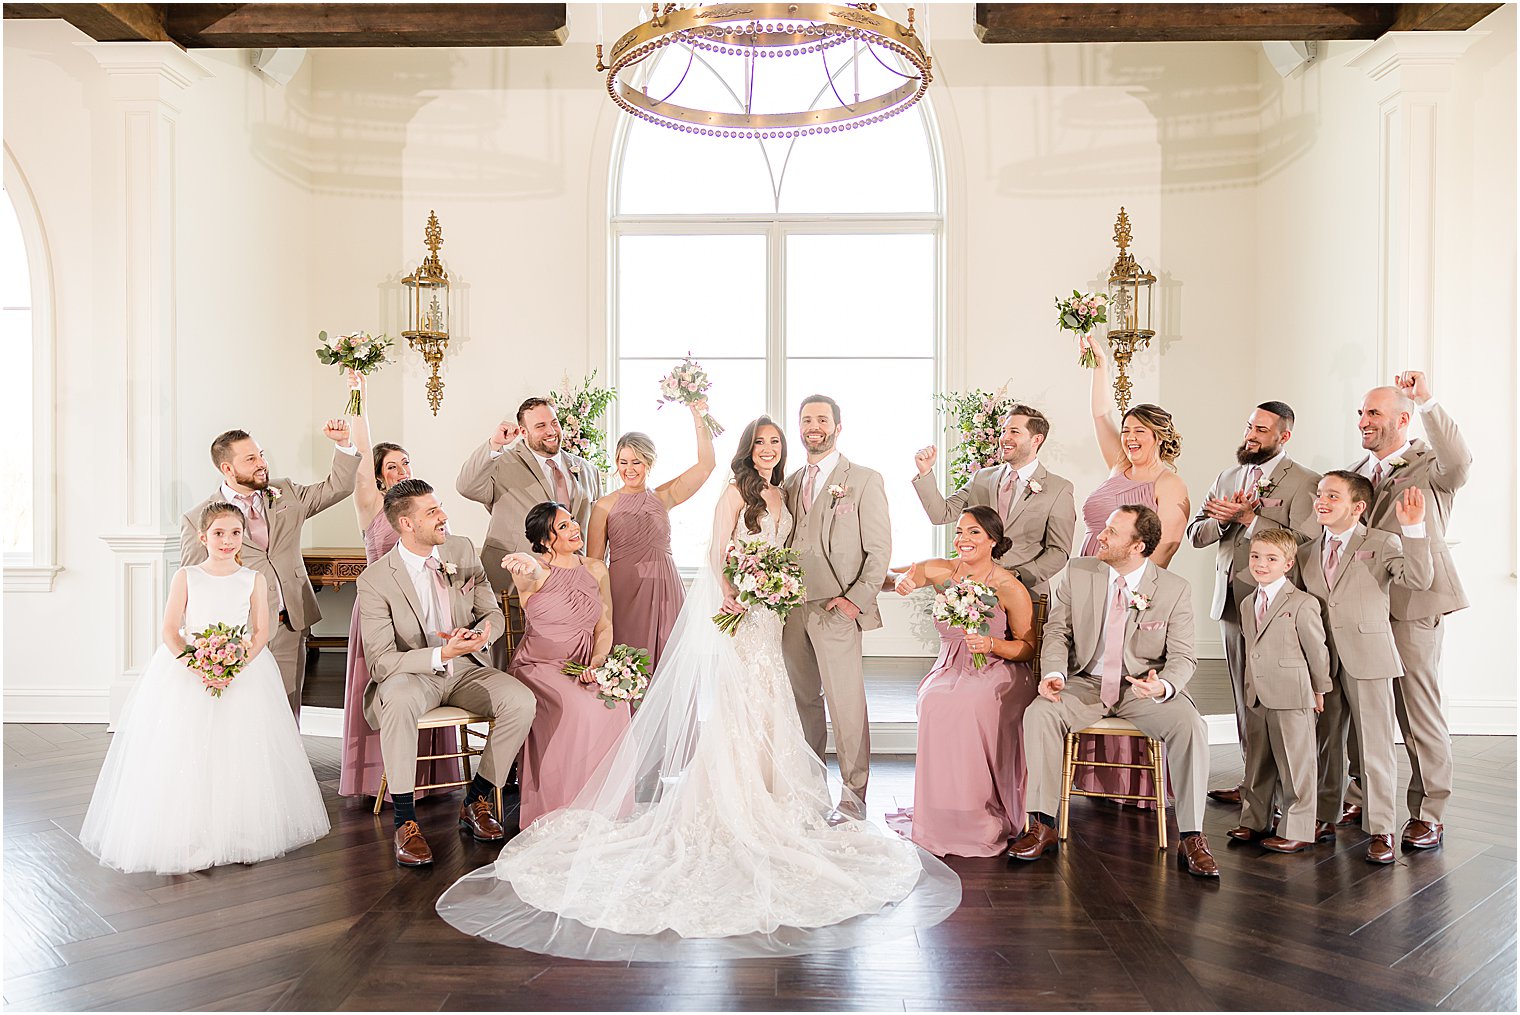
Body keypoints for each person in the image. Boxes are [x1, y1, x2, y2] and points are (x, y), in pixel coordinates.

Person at [434, 415, 959, 961]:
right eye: (761, 442)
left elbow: (803, 549)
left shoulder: (790, 492)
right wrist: (734, 591)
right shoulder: (727, 493)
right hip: (737, 609)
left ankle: (783, 794)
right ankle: (716, 788)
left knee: (776, 696)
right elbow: (710, 551)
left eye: (776, 441)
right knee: (736, 696)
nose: (769, 449)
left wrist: (775, 586)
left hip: (774, 613)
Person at [82, 503, 329, 874]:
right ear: (203, 537)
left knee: (240, 750)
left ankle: (242, 832)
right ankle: (188, 835)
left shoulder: (252, 579)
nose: (227, 541)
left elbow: (262, 631)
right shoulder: (187, 576)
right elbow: (169, 630)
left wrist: (232, 666)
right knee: (188, 750)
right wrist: (200, 666)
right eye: (218, 533)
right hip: (189, 671)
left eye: (234, 533)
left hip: (243, 672)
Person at [1009, 505, 1219, 878]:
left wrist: (1163, 685)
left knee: (1191, 724)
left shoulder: (1174, 590)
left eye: (1111, 532)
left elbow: (1184, 657)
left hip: (1141, 688)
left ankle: (1192, 835)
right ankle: (1042, 823)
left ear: (1138, 546)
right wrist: (1055, 672)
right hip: (1084, 683)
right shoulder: (1079, 572)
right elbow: (1057, 632)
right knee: (1039, 712)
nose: (1100, 536)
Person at [357, 480, 538, 867]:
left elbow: (489, 610)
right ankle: (405, 822)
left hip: (466, 669)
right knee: (401, 699)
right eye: (432, 512)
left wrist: (481, 633)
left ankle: (478, 799)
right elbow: (382, 662)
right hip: (414, 674)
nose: (444, 516)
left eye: (440, 508)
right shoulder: (374, 579)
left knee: (521, 700)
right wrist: (440, 653)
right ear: (406, 524)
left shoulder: (460, 550)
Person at [1341, 371, 1469, 850]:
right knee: (1364, 710)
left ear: (1402, 419)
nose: (1363, 421)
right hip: (1363, 610)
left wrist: (1429, 399)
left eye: (1373, 413)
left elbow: (1460, 461)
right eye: (1361, 412)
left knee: (1418, 712)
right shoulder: (1355, 471)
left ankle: (1429, 812)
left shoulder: (1431, 465)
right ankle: (1364, 796)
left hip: (1414, 605)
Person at [1186, 401, 1322, 804]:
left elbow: (1308, 540)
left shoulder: (1304, 481)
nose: (1251, 435)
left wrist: (1251, 520)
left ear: (1284, 436)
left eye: (1262, 430)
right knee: (1245, 697)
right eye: (1249, 426)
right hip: (1231, 603)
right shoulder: (1226, 477)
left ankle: (1291, 790)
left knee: (1279, 700)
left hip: (1278, 609)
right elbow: (1197, 534)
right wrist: (1225, 521)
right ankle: (1254, 786)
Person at [181, 418, 360, 719]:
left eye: (261, 454)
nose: (262, 463)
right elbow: (193, 583)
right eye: (251, 459)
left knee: (287, 707)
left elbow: (338, 487)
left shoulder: (286, 491)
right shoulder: (198, 517)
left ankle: (284, 766)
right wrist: (203, 642)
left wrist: (343, 444)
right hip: (238, 631)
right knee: (240, 708)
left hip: (289, 621)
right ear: (227, 468)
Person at [1073, 344, 1190, 802]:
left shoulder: (1168, 482)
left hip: (1132, 585)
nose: (1130, 438)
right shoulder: (1118, 465)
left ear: (1159, 435)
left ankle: (1130, 783)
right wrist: (1101, 365)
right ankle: (1095, 777)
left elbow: (1168, 544)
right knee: (1091, 664)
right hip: (1090, 572)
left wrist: (1132, 590)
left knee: (1124, 668)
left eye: (1139, 431)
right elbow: (1100, 413)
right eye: (1127, 431)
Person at [886, 507, 1038, 857]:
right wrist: (902, 582)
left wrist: (992, 644)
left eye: (973, 533)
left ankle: (977, 813)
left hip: (1000, 668)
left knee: (970, 704)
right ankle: (940, 814)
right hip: (950, 666)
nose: (962, 540)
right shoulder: (942, 570)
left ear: (993, 541)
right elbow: (900, 575)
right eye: (959, 532)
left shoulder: (1007, 586)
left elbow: (1027, 648)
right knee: (934, 701)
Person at [1298, 472, 1431, 865]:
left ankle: (1381, 829)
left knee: (1374, 747)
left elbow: (1419, 579)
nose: (1321, 501)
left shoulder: (1382, 542)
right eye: (1320, 494)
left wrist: (1414, 531)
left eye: (1332, 496)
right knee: (1324, 743)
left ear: (1358, 507)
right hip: (1322, 661)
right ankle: (1323, 817)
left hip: (1369, 659)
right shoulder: (1305, 552)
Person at [337, 373, 458, 802]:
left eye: (406, 462)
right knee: (393, 689)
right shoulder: (372, 503)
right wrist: (359, 393)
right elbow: (364, 447)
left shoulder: (424, 506)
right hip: (381, 615)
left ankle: (430, 779)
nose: (402, 469)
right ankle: (380, 783)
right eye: (393, 465)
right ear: (377, 476)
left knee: (431, 679)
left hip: (426, 613)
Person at [781, 395, 892, 819]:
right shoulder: (789, 483)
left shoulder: (863, 479)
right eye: (806, 419)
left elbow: (879, 549)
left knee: (845, 703)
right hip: (792, 609)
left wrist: (854, 601)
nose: (814, 426)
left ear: (837, 427)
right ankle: (811, 788)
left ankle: (854, 793)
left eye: (822, 419)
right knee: (802, 700)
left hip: (837, 608)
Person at [500, 502, 627, 826]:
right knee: (578, 708)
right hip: (538, 666)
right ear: (545, 540)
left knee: (614, 704)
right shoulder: (533, 570)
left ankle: (602, 805)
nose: (574, 528)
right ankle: (560, 805)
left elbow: (605, 625)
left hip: (583, 663)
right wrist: (527, 560)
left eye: (572, 522)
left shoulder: (597, 569)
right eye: (563, 526)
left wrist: (598, 661)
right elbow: (530, 571)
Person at [586, 399, 716, 670]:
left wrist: (699, 417)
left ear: (649, 463)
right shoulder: (604, 506)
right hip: (624, 593)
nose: (629, 469)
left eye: (637, 462)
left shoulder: (662, 497)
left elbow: (706, 466)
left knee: (671, 661)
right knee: (629, 662)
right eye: (623, 462)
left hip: (665, 589)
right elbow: (594, 563)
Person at [1225, 528, 1330, 853]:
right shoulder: (1246, 604)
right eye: (1255, 557)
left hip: (1292, 693)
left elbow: (1317, 650)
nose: (1261, 564)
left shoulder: (1302, 603)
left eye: (1271, 559)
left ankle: (1298, 827)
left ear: (1287, 564)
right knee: (1258, 762)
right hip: (1257, 693)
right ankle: (1255, 820)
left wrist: (1319, 688)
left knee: (1296, 764)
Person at [911, 405, 1077, 591]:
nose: (1005, 438)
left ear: (1036, 440)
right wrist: (925, 472)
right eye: (1003, 431)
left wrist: (1018, 576)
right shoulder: (981, 478)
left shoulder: (1059, 489)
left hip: (1027, 593)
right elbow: (941, 514)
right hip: (973, 591)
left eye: (1014, 432)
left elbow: (1058, 551)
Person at [456, 397, 603, 602]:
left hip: (573, 584)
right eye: (541, 426)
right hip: (514, 583)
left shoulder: (587, 470)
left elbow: (596, 527)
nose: (551, 431)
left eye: (554, 423)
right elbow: (466, 487)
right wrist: (495, 444)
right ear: (523, 432)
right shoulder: (500, 462)